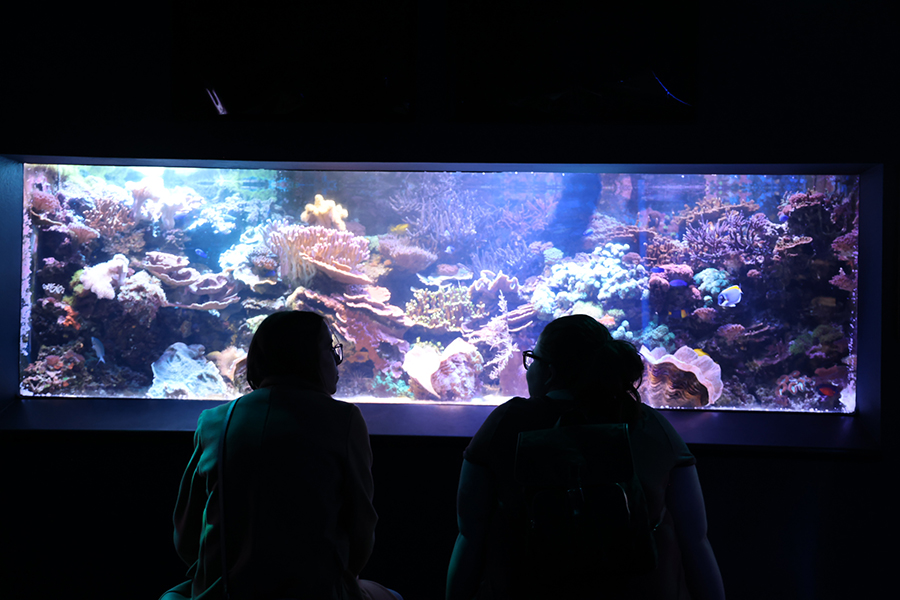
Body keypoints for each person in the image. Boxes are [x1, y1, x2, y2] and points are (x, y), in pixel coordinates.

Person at [446, 314, 725, 600]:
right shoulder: (650, 425)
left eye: (532, 359)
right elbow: (696, 539)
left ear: (550, 370)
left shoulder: (506, 423)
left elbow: (470, 535)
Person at [160, 310, 401, 600]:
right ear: (308, 357)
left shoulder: (214, 421)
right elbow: (362, 528)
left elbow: (185, 533)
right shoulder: (344, 420)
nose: (338, 360)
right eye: (330, 349)